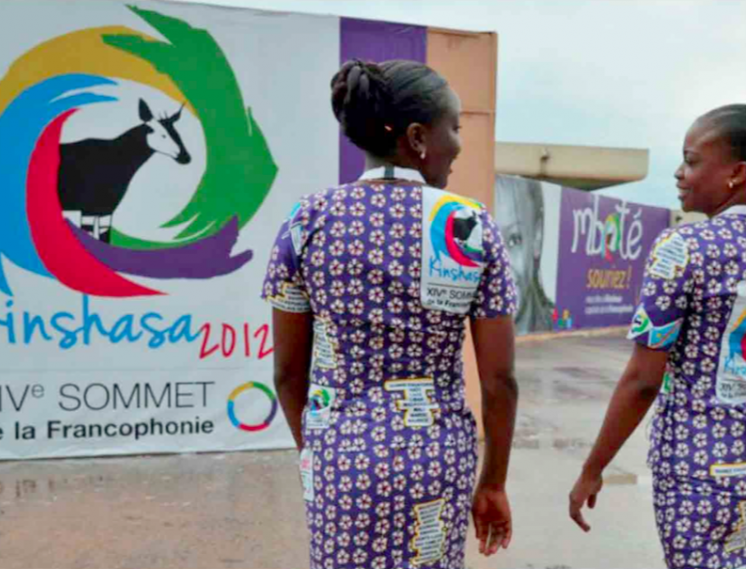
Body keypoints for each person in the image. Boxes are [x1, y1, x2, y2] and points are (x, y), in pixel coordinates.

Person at [262, 59, 519, 569]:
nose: (459, 144)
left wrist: (319, 450)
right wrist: (492, 482)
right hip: (437, 457)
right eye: (455, 128)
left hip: (341, 454)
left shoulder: (306, 220)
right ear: (419, 137)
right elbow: (500, 381)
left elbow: (288, 373)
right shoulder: (469, 225)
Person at [569, 105, 746, 569]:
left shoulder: (684, 250)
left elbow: (643, 380)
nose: (679, 172)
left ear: (737, 173)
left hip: (701, 474)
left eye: (691, 160)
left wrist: (593, 468)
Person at [494, 175, 555, 334]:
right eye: (488, 242)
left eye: (514, 240)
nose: (500, 265)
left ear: (537, 237)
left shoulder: (555, 326)